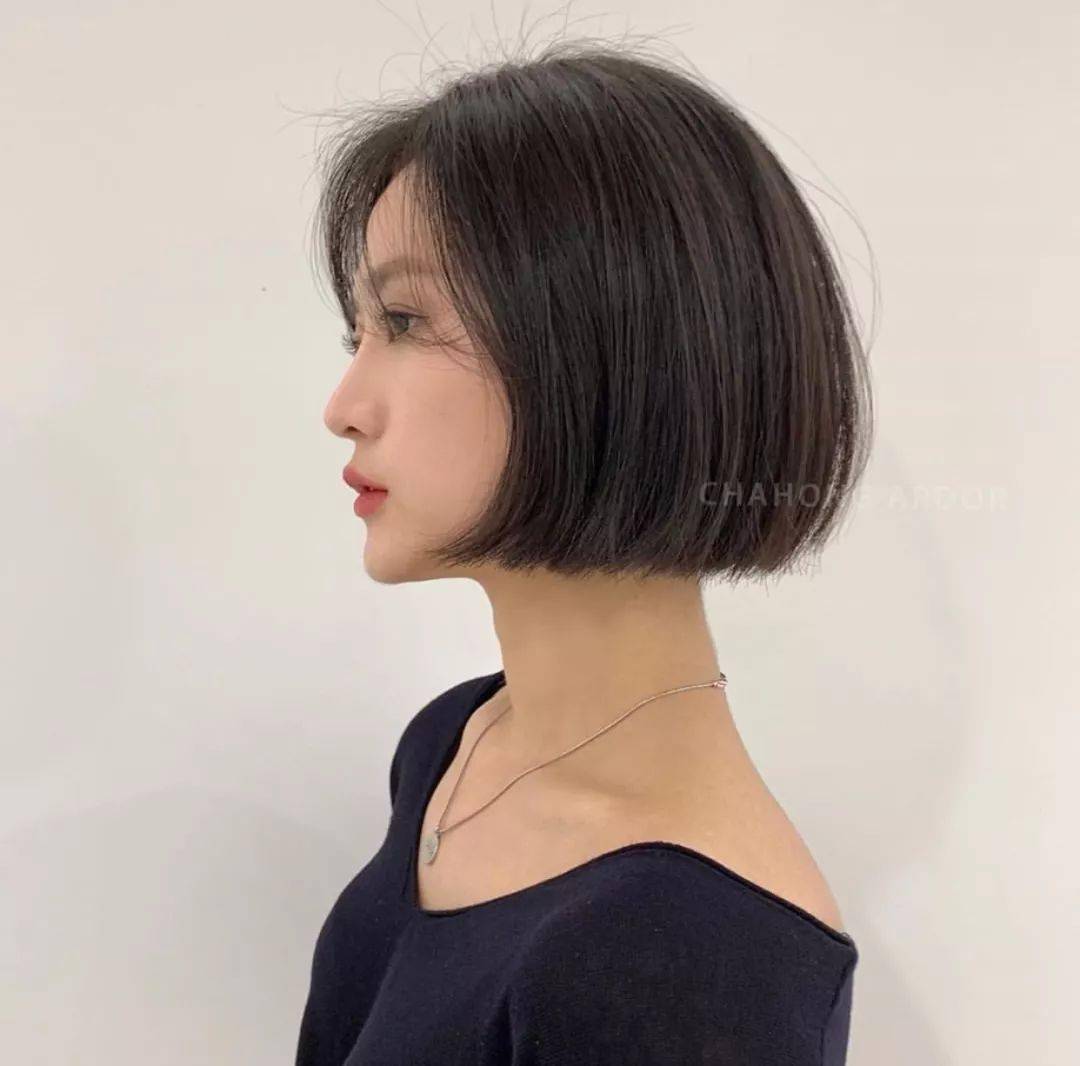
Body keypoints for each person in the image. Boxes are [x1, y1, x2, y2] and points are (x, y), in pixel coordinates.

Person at [299, 36, 872, 1066]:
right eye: (360, 334)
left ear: (611, 344)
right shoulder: (454, 744)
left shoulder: (696, 960)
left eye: (405, 320)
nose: (344, 406)